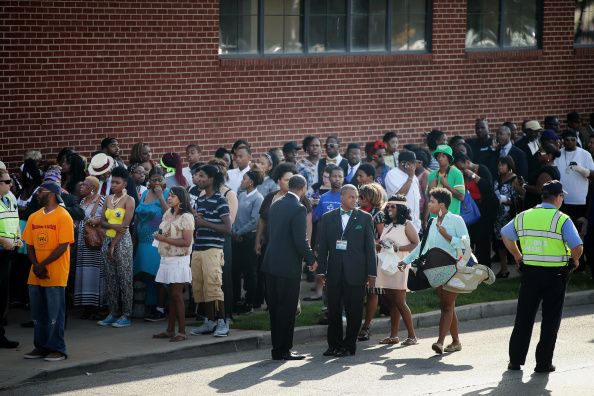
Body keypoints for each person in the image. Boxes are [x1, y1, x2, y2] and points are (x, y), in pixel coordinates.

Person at [502, 181, 583, 373]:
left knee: (523, 317)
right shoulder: (561, 219)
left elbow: (505, 235)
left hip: (530, 273)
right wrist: (576, 260)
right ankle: (543, 363)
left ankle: (515, 361)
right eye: (562, 196)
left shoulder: (524, 216)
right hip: (555, 275)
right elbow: (577, 247)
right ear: (557, 198)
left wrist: (517, 255)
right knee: (550, 320)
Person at [399, 188, 469, 355]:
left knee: (446, 305)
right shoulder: (431, 222)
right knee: (448, 305)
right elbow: (423, 246)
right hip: (436, 270)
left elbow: (466, 244)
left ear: (442, 205)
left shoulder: (456, 220)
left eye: (431, 202)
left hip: (454, 268)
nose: (428, 204)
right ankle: (456, 342)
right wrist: (406, 261)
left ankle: (440, 342)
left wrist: (448, 236)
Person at [316, 184, 377, 357]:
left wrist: (371, 274)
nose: (355, 200)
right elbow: (323, 247)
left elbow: (370, 249)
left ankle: (349, 345)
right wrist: (321, 271)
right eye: (351, 197)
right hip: (334, 272)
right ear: (341, 197)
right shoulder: (328, 218)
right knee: (333, 310)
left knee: (354, 311)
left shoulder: (365, 218)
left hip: (356, 273)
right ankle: (333, 345)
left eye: (356, 197)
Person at [261, 174, 317, 360]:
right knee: (287, 309)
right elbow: (301, 240)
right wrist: (311, 260)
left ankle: (277, 349)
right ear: (303, 188)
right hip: (287, 266)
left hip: (270, 263)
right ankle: (284, 350)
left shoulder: (276, 204)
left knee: (275, 309)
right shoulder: (298, 208)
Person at [22, 182, 74, 361]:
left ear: (52, 194)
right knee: (38, 313)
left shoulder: (64, 216)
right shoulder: (33, 217)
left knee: (55, 313)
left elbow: (63, 246)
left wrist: (41, 264)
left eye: (40, 191)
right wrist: (36, 265)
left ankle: (57, 349)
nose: (37, 195)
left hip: (56, 272)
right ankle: (41, 347)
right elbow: (29, 245)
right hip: (35, 273)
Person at [190, 164, 232, 337]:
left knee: (214, 286)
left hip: (213, 250)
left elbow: (228, 228)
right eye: (198, 176)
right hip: (198, 248)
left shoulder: (220, 200)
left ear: (211, 179)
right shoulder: (200, 200)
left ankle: (222, 322)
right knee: (200, 287)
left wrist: (203, 223)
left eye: (202, 176)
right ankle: (209, 321)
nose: (199, 179)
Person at [152, 187, 195, 342]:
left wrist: (164, 239)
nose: (169, 198)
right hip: (166, 257)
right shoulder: (168, 213)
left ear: (181, 199)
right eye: (168, 196)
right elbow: (164, 232)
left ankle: (182, 331)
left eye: (172, 196)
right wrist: (159, 237)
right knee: (171, 294)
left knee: (177, 295)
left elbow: (186, 241)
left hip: (179, 259)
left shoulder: (187, 217)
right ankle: (170, 330)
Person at [376, 195, 419, 345]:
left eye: (393, 206)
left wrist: (397, 248)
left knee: (400, 301)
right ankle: (394, 336)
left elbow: (416, 244)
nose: (389, 209)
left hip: (400, 265)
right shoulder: (387, 224)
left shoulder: (407, 224)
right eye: (388, 206)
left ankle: (412, 336)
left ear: (400, 208)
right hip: (386, 266)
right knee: (391, 302)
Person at [97, 166, 135, 328]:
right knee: (110, 278)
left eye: (117, 183)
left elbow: (125, 227)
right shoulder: (107, 199)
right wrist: (112, 226)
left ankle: (126, 314)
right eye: (112, 182)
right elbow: (102, 221)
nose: (113, 185)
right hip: (107, 239)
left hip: (122, 242)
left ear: (125, 183)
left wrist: (113, 245)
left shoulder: (129, 200)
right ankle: (113, 312)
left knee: (124, 278)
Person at [133, 168, 169, 321]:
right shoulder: (145, 194)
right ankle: (146, 305)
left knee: (157, 274)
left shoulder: (168, 194)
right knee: (143, 274)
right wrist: (134, 237)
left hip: (157, 241)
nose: (156, 182)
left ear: (164, 180)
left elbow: (169, 214)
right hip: (142, 241)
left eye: (159, 179)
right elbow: (138, 217)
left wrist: (161, 196)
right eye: (153, 179)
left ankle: (160, 308)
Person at [453, 151, 498, 268]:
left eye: (462, 167)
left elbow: (488, 188)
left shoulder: (482, 169)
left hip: (484, 211)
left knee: (483, 241)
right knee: (469, 240)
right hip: (470, 212)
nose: (461, 170)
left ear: (467, 162)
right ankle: (471, 267)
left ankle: (484, 269)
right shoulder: (461, 175)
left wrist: (472, 175)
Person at [73, 176, 107, 319]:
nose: (81, 187)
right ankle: (87, 306)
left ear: (93, 187)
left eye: (84, 185)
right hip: (82, 242)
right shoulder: (81, 201)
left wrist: (98, 220)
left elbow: (108, 219)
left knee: (95, 273)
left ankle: (98, 307)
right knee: (84, 272)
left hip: (94, 242)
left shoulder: (102, 200)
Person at [356, 183, 386, 341]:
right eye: (358, 197)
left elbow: (382, 238)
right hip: (356, 256)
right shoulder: (356, 212)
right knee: (357, 291)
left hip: (373, 257)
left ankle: (366, 326)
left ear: (372, 197)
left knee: (372, 292)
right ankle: (355, 324)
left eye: (362, 197)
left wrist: (372, 242)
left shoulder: (378, 214)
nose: (359, 200)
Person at [232, 169, 264, 312]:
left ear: (251, 182)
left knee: (250, 270)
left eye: (244, 179)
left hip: (249, 238)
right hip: (236, 237)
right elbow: (235, 215)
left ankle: (250, 301)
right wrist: (234, 232)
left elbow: (254, 220)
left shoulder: (258, 198)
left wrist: (239, 232)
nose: (241, 181)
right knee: (235, 270)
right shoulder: (241, 195)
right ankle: (236, 299)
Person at [0, 169, 22, 348]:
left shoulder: (9, 198)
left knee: (3, 295)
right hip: (1, 248)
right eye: (7, 181)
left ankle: (0, 336)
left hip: (8, 252)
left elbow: (14, 220)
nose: (11, 184)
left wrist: (18, 237)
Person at [493, 157, 524, 278]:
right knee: (499, 243)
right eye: (499, 165)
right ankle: (504, 268)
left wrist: (505, 200)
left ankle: (521, 266)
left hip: (509, 215)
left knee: (512, 241)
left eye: (502, 165)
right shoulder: (497, 178)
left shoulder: (514, 179)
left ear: (509, 166)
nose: (500, 167)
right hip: (498, 216)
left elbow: (520, 197)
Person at [385, 150, 422, 231]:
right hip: (401, 224)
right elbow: (400, 196)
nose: (414, 165)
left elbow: (416, 200)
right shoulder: (392, 174)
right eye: (412, 163)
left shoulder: (414, 176)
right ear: (403, 163)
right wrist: (410, 177)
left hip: (416, 225)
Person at [427, 145, 465, 216]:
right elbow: (428, 199)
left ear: (449, 158)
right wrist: (431, 189)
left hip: (451, 218)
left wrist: (447, 186)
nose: (440, 158)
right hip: (434, 218)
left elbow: (461, 197)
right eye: (438, 156)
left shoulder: (457, 173)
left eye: (443, 156)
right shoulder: (432, 175)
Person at [523, 143, 561, 209]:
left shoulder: (548, 171)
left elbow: (539, 189)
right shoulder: (548, 168)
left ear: (549, 156)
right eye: (538, 152)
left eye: (541, 153)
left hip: (538, 206)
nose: (538, 155)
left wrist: (523, 186)